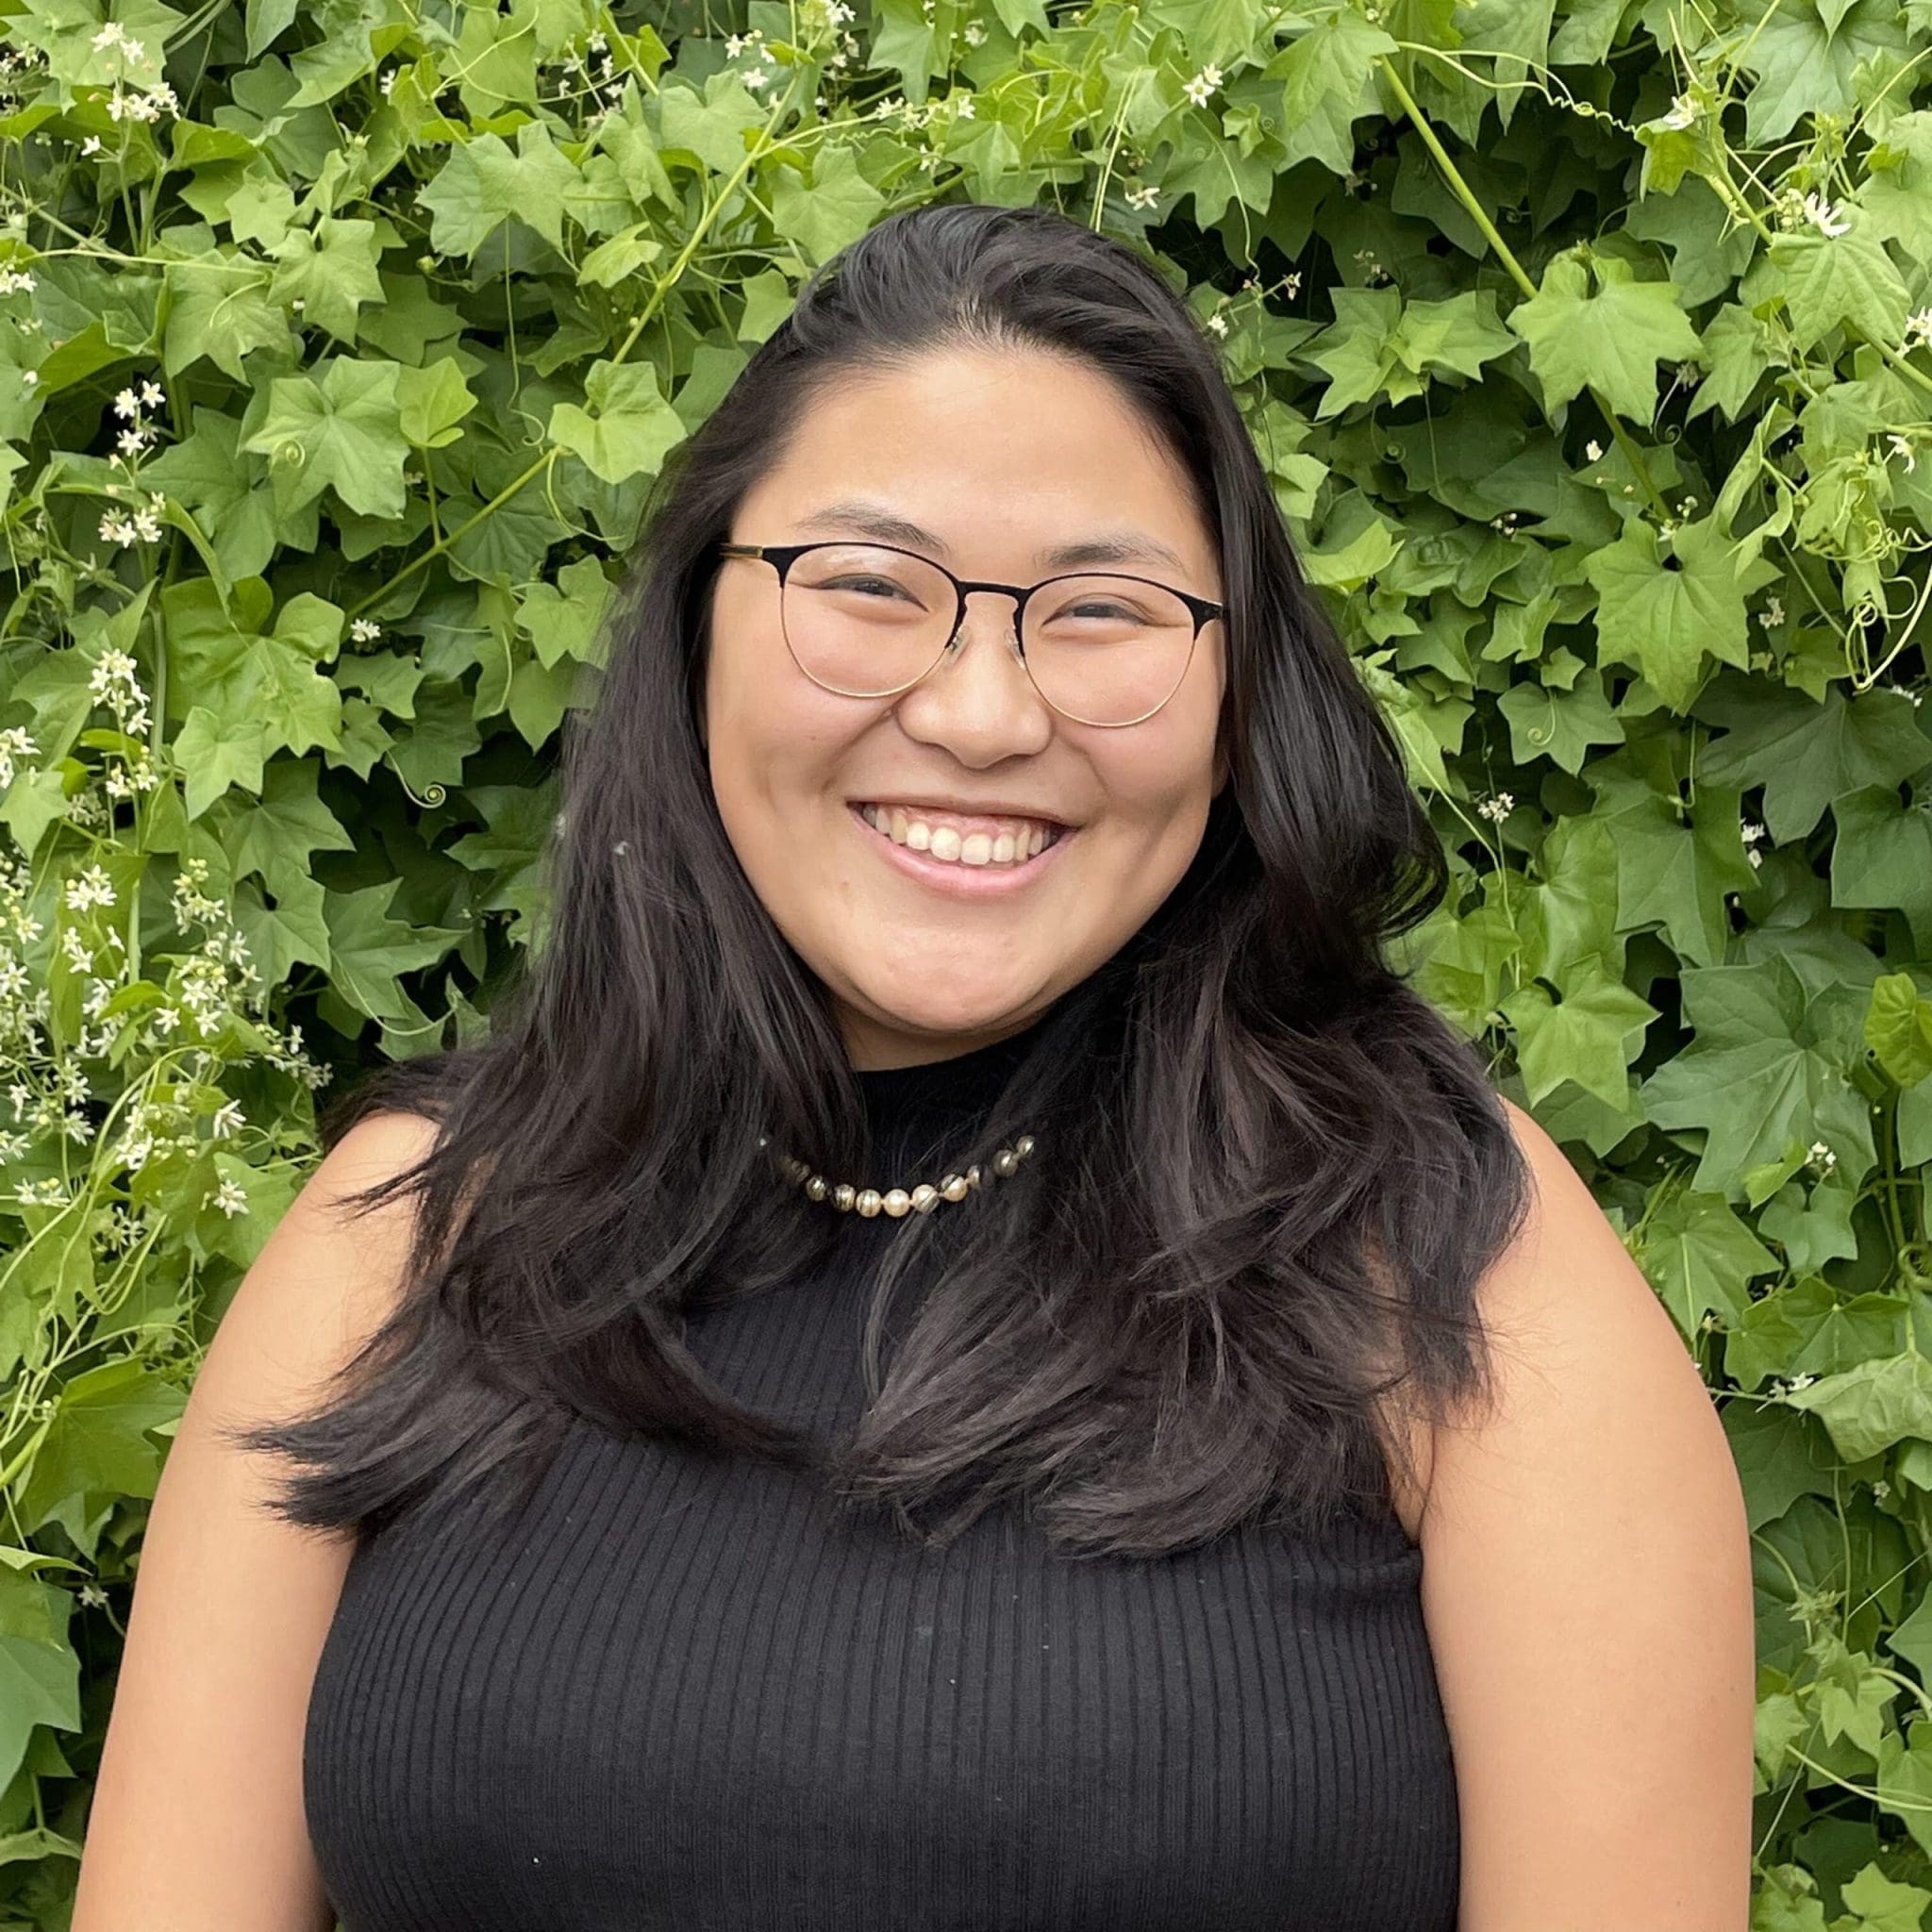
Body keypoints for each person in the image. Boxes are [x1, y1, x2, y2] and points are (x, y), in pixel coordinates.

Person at [74, 202, 1755, 1931]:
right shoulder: (406, 1237)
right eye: (868, 586)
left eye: (1102, 610)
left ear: (1237, 682)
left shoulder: (1454, 1270)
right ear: (696, 627)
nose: (981, 712)